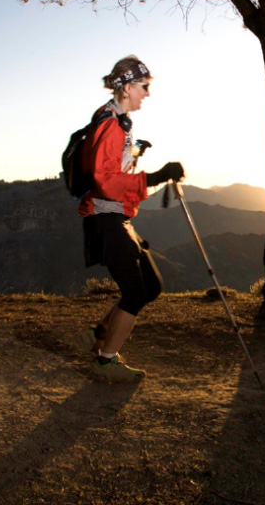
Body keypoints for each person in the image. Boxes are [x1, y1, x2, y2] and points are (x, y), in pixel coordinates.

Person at [79, 55, 184, 383]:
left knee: (150, 286)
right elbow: (105, 179)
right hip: (105, 216)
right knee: (137, 293)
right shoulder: (111, 124)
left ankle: (101, 330)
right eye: (144, 86)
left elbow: (112, 163)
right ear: (126, 87)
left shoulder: (116, 119)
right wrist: (154, 177)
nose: (147, 93)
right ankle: (105, 362)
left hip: (115, 216)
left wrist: (136, 151)